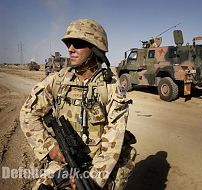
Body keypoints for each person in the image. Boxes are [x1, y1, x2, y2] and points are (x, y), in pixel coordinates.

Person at [20, 18, 136, 190]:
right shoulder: (57, 80)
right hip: (64, 161)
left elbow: (114, 139)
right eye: (68, 43)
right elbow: (28, 113)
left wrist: (93, 179)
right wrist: (50, 147)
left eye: (78, 43)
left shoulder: (111, 88)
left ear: (95, 49)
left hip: (100, 166)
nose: (70, 48)